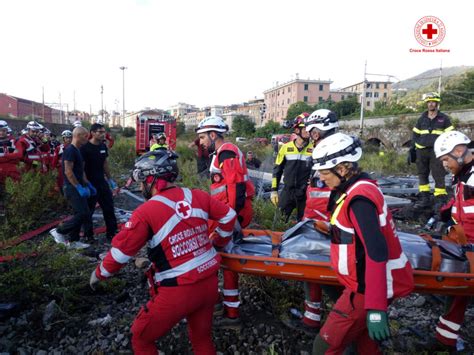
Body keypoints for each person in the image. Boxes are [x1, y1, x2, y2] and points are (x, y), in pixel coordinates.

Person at [89, 149, 237, 354]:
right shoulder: (197, 195)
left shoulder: (146, 212)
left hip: (178, 290)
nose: (141, 187)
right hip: (209, 283)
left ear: (151, 179)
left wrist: (99, 274)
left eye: (142, 181)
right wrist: (218, 242)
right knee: (201, 338)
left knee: (141, 337)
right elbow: (229, 216)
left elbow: (120, 254)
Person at [311, 132, 414, 354]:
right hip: (368, 284)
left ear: (342, 169)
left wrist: (376, 309)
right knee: (366, 346)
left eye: (324, 171)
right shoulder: (359, 188)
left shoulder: (359, 199)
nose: (321, 177)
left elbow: (376, 253)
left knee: (323, 348)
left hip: (364, 289)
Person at [196, 115, 255, 328]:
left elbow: (236, 188)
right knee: (224, 261)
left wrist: (231, 219)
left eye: (203, 137)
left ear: (213, 135)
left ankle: (232, 313)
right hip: (225, 214)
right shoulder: (220, 153)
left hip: (230, 215)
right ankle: (227, 304)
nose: (201, 142)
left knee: (228, 262)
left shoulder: (227, 152)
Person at [290, 109, 339, 333]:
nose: (309, 135)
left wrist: (314, 219)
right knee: (314, 270)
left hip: (323, 222)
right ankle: (313, 316)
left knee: (318, 269)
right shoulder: (330, 149)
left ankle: (338, 319)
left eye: (311, 131)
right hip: (318, 219)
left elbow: (328, 193)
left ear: (317, 131)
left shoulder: (330, 152)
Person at [432, 130, 473, 351]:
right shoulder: (464, 177)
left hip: (470, 248)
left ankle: (446, 340)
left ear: (458, 151)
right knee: (457, 293)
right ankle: (445, 339)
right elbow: (462, 205)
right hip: (464, 245)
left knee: (459, 292)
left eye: (446, 160)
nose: (445, 165)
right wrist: (446, 213)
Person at [49, 126, 93, 249]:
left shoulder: (77, 150)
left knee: (82, 213)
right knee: (83, 213)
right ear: (78, 136)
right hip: (71, 188)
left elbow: (80, 170)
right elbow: (68, 171)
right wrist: (78, 187)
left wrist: (87, 184)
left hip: (78, 186)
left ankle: (74, 241)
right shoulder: (70, 150)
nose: (87, 138)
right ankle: (58, 231)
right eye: (85, 136)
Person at [411, 92, 454, 211]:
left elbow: (450, 135)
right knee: (422, 175)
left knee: (438, 175)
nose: (431, 104)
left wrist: (447, 152)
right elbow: (415, 134)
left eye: (433, 102)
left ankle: (440, 200)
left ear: (437, 103)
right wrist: (412, 148)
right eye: (429, 102)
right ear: (427, 104)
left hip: (437, 152)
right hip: (422, 151)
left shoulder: (444, 118)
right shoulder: (421, 119)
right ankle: (424, 199)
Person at [271, 113, 313, 222]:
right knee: (279, 221)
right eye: (305, 128)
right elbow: (277, 171)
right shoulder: (285, 148)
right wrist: (274, 190)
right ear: (297, 130)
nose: (308, 131)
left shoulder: (315, 149)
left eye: (310, 128)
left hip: (305, 193)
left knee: (305, 225)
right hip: (287, 192)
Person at [80, 123, 118, 240]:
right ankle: (88, 235)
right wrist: (86, 184)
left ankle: (111, 233)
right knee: (88, 211)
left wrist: (110, 178)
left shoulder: (102, 146)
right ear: (92, 133)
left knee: (109, 208)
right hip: (90, 184)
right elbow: (81, 168)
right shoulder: (85, 148)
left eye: (104, 132)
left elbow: (104, 163)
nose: (103, 134)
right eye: (100, 132)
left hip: (102, 182)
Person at [0, 120, 21, 216]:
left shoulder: (14, 141)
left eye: (3, 130)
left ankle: (13, 213)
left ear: (6, 130)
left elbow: (18, 155)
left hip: (12, 172)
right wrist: (10, 157)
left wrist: (3, 158)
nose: (1, 133)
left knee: (13, 193)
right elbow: (14, 155)